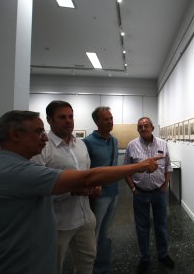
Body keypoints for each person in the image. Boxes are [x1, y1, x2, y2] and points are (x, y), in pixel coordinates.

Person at [0, 110, 159, 274]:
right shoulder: (13, 171)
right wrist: (140, 165)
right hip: (20, 259)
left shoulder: (5, 164)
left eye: (71, 116)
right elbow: (88, 176)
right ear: (15, 135)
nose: (44, 138)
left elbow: (74, 180)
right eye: (38, 132)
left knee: (89, 255)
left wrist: (78, 190)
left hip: (80, 216)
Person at [30, 100, 98, 274]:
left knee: (87, 262)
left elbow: (87, 174)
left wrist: (93, 186)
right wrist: (72, 191)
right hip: (57, 223)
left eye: (70, 116)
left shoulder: (80, 144)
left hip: (85, 218)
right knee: (53, 267)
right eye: (62, 117)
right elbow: (37, 189)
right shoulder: (42, 148)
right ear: (50, 120)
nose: (68, 121)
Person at [124, 117, 174, 274]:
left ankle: (163, 254)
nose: (143, 128)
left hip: (159, 192)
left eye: (146, 126)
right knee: (142, 227)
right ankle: (144, 258)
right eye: (140, 126)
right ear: (137, 129)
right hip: (140, 193)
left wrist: (166, 184)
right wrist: (133, 188)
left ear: (152, 128)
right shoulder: (132, 146)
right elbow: (126, 169)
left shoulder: (163, 144)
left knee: (161, 225)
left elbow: (168, 166)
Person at [83, 106, 119, 274]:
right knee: (94, 232)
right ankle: (91, 268)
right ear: (97, 122)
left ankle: (103, 266)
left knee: (105, 231)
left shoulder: (114, 140)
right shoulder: (88, 142)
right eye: (106, 119)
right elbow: (85, 169)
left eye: (111, 118)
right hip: (98, 195)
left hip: (114, 193)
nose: (110, 121)